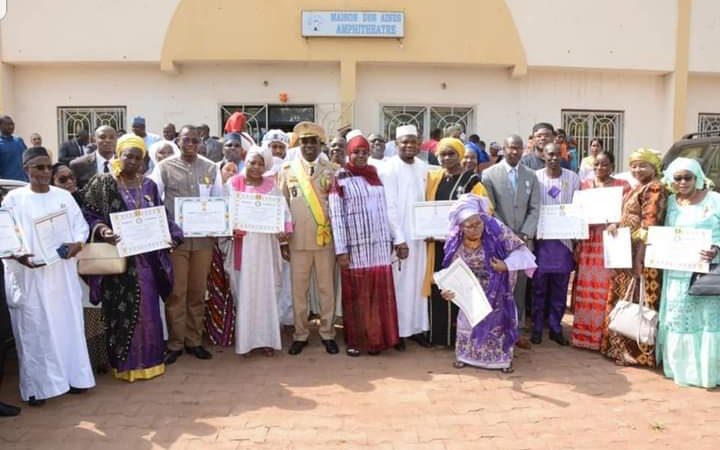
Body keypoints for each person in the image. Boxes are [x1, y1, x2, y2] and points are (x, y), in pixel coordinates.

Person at [82, 135, 182, 381]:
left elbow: (161, 215)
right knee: (120, 314)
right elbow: (89, 214)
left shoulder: (149, 185)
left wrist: (172, 234)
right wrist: (103, 231)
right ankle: (124, 365)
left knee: (148, 311)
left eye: (138, 157)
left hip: (146, 261)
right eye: (128, 155)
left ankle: (151, 361)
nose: (133, 161)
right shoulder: (103, 184)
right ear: (118, 155)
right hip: (118, 264)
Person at [2, 146, 94, 406]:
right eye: (38, 167)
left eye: (47, 167)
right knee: (36, 330)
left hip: (62, 276)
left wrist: (77, 244)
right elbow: (7, 235)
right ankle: (39, 388)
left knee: (68, 326)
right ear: (26, 170)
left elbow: (80, 227)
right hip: (31, 277)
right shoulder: (14, 200)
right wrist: (19, 255)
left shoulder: (63, 197)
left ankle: (74, 378)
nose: (44, 172)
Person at [440, 194, 536, 372]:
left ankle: (500, 360)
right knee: (468, 317)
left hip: (497, 283)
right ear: (460, 226)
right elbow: (451, 272)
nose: (475, 229)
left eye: (478, 223)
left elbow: (521, 250)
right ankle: (465, 356)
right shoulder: (454, 240)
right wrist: (448, 289)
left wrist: (505, 265)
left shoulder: (497, 229)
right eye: (468, 226)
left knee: (497, 317)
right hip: (469, 286)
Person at [151, 125, 223, 364]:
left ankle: (194, 341)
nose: (190, 144)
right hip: (176, 242)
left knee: (197, 291)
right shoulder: (164, 168)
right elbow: (153, 200)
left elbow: (219, 201)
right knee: (177, 292)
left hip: (203, 241)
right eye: (185, 140)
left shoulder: (211, 168)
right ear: (178, 141)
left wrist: (218, 228)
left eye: (194, 140)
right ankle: (175, 343)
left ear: (200, 142)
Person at [329, 132, 400, 356]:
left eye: (364, 152)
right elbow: (336, 215)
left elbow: (386, 208)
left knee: (377, 296)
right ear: (349, 153)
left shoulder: (375, 175)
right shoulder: (340, 176)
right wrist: (341, 250)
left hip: (378, 246)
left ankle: (377, 339)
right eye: (356, 152)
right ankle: (357, 341)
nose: (360, 156)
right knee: (357, 298)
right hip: (355, 248)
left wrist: (392, 237)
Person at [657, 158, 720, 388]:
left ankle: (709, 373)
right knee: (678, 317)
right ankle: (681, 370)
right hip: (676, 273)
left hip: (708, 272)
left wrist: (716, 247)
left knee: (706, 319)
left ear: (698, 178)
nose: (683, 182)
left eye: (688, 177)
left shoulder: (715, 200)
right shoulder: (671, 202)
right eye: (678, 178)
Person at [601, 148, 668, 366]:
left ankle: (637, 352)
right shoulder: (638, 188)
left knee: (638, 304)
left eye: (643, 165)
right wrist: (616, 224)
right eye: (634, 165)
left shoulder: (655, 188)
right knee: (624, 302)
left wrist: (639, 258)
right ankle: (619, 348)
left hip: (639, 255)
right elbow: (628, 217)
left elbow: (649, 225)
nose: (637, 169)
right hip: (624, 253)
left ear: (654, 167)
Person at [277, 121, 338, 356]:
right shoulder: (287, 171)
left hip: (325, 240)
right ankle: (300, 334)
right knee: (298, 290)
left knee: (326, 289)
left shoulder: (331, 169)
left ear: (320, 144)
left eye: (314, 141)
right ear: (298, 144)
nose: (309, 145)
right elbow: (282, 207)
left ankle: (327, 332)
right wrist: (283, 240)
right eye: (305, 141)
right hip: (298, 241)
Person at [424, 137, 490, 347]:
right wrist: (425, 229)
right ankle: (439, 337)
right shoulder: (434, 178)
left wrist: (465, 230)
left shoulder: (472, 181)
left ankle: (459, 338)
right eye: (442, 154)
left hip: (460, 245)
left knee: (459, 287)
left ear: (460, 155)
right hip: (436, 244)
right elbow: (426, 209)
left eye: (451, 153)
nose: (446, 158)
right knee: (438, 285)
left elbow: (485, 211)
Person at [228, 146, 292, 356]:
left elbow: (283, 213)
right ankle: (245, 342)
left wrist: (283, 231)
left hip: (265, 247)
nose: (255, 167)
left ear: (266, 166)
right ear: (245, 162)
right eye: (252, 163)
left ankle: (267, 340)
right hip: (243, 246)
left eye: (260, 163)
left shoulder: (271, 186)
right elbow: (225, 211)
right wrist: (231, 226)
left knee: (266, 292)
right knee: (245, 292)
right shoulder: (233, 183)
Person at [481, 135, 540, 349]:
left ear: (523, 150)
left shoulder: (531, 176)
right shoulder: (489, 175)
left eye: (518, 148)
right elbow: (490, 208)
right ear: (503, 149)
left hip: (523, 242)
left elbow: (535, 208)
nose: (514, 152)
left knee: (520, 286)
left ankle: (517, 330)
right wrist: (505, 234)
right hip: (499, 240)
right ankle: (497, 329)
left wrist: (524, 233)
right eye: (510, 148)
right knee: (498, 284)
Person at [570, 151, 631, 350]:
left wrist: (617, 223)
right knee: (586, 289)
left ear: (612, 166)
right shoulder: (584, 186)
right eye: (597, 164)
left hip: (611, 242)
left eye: (605, 164)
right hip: (588, 244)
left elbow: (629, 213)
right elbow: (577, 214)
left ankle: (604, 338)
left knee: (607, 289)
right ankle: (584, 337)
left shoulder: (623, 187)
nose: (600, 168)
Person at [380, 125, 430, 350]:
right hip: (401, 238)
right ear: (396, 143)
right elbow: (389, 206)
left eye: (413, 142)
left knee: (419, 282)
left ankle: (417, 329)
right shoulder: (389, 168)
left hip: (421, 237)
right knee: (400, 285)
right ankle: (398, 332)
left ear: (419, 143)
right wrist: (398, 238)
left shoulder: (424, 167)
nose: (410, 146)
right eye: (405, 142)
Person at [531, 143, 580, 345]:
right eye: (549, 154)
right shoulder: (535, 177)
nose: (553, 158)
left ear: (562, 155)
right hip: (542, 241)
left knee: (560, 289)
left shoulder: (573, 178)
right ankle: (536, 328)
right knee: (538, 288)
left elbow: (579, 208)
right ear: (543, 155)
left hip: (564, 242)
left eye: (557, 154)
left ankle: (555, 327)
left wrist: (577, 240)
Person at [0, 116, 28, 181]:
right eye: (7, 124)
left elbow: (27, 159)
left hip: (24, 181)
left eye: (12, 124)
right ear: (0, 126)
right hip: (7, 184)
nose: (11, 127)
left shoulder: (19, 140)